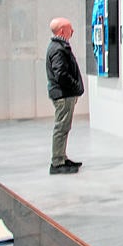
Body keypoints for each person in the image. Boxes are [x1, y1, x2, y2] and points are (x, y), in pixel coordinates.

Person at [45, 17, 84, 174]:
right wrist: (75, 86)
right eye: (70, 28)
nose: (72, 31)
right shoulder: (58, 49)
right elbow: (61, 74)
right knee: (61, 127)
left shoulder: (58, 47)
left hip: (64, 94)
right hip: (63, 94)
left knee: (63, 127)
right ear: (62, 31)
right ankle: (57, 162)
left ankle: (61, 157)